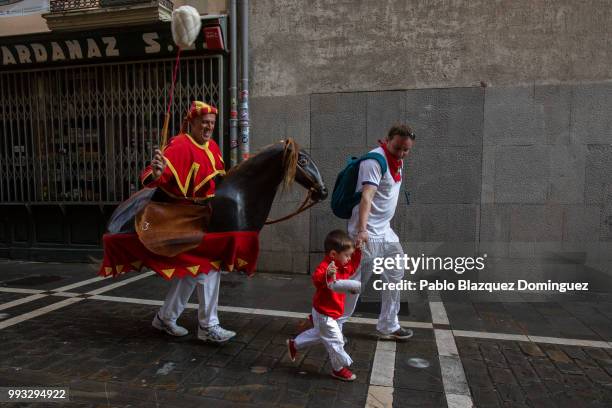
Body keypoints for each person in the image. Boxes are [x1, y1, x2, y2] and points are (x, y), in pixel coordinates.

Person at [143, 100, 235, 344]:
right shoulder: (180, 144)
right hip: (184, 218)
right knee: (208, 267)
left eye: (212, 123)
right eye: (204, 122)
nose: (208, 127)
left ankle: (165, 318)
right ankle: (208, 326)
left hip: (207, 218)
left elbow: (218, 184)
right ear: (192, 123)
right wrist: (157, 172)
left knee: (192, 272)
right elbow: (157, 175)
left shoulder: (213, 146)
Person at [337, 124, 416, 341]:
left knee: (395, 271)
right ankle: (334, 324)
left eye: (406, 150)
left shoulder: (397, 162)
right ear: (387, 139)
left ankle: (389, 324)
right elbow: (366, 197)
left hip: (385, 231)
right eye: (398, 147)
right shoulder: (374, 161)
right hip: (367, 232)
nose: (401, 153)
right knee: (355, 281)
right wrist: (362, 231)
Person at [286, 230, 361, 381]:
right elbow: (316, 278)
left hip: (332, 312)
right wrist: (327, 274)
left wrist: (358, 250)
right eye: (347, 255)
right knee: (336, 341)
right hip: (324, 313)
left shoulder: (343, 265)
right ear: (333, 254)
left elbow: (353, 266)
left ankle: (294, 344)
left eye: (350, 256)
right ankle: (339, 368)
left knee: (321, 335)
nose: (349, 259)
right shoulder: (326, 266)